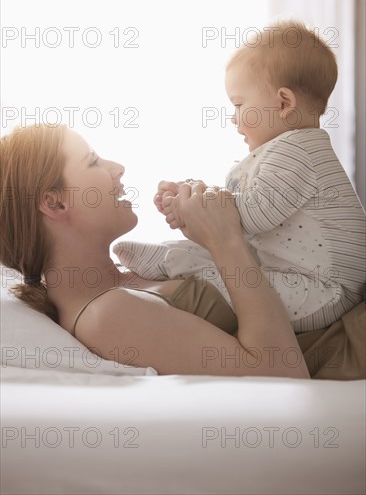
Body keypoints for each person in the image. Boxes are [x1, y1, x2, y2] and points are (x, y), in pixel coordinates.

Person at [0, 123, 310, 378]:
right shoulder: (105, 316)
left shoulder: (126, 277)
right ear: (55, 203)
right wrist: (224, 240)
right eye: (93, 162)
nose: (117, 168)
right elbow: (281, 375)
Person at [114, 20, 366, 334]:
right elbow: (245, 206)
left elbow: (251, 216)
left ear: (283, 103)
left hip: (321, 291)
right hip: (299, 276)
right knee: (224, 256)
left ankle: (171, 264)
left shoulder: (297, 152)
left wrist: (193, 207)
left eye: (239, 104)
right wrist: (193, 195)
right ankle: (169, 255)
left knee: (227, 282)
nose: (233, 117)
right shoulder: (287, 150)